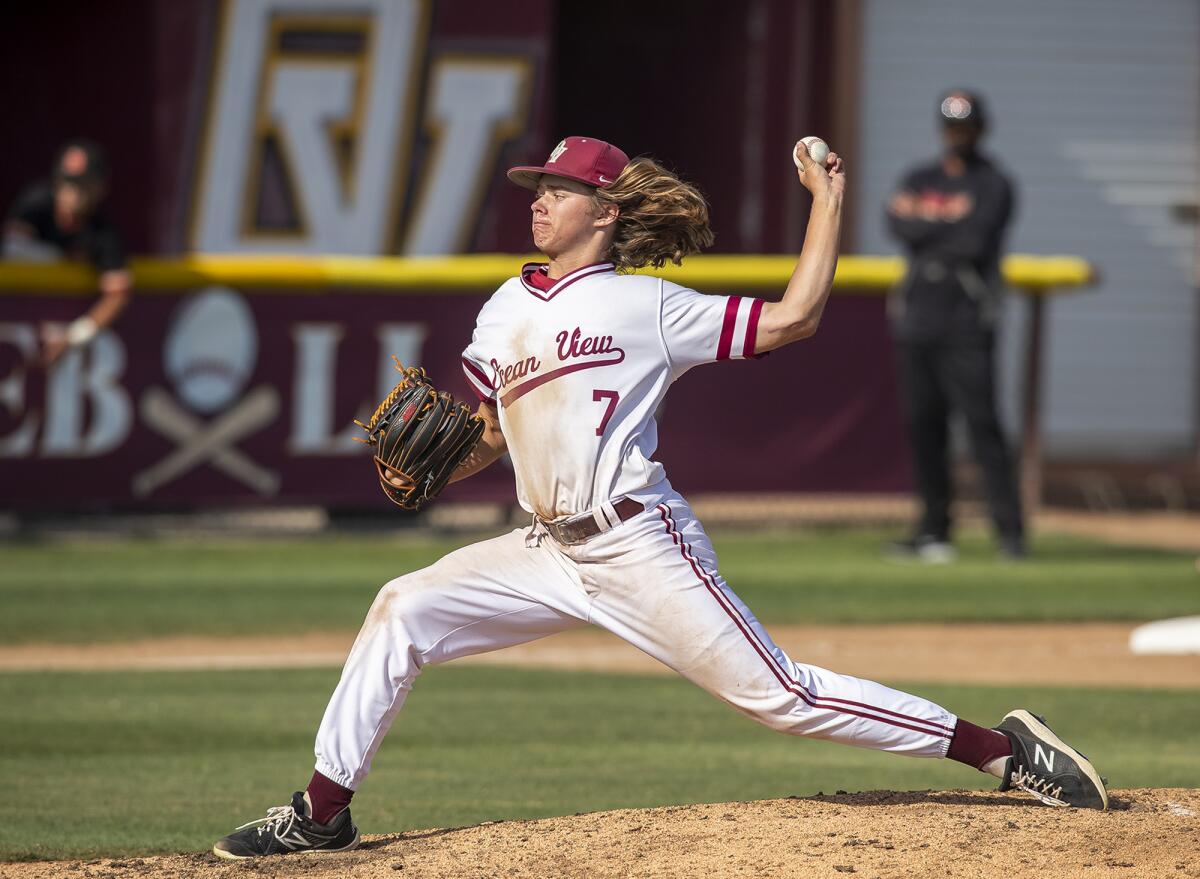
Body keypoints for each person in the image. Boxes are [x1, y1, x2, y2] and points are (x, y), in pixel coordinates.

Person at [212, 135, 1107, 860]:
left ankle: (1004, 748)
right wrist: (439, 468)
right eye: (538, 185)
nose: (539, 198)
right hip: (543, 550)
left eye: (559, 188)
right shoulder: (501, 309)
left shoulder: (648, 307)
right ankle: (323, 811)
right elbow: (489, 434)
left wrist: (826, 199)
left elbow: (795, 318)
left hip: (639, 544)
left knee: (780, 695)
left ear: (604, 212)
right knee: (401, 606)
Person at [885, 90, 1025, 562]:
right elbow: (897, 225)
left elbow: (974, 241)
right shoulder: (920, 175)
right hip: (919, 317)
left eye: (966, 128)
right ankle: (933, 532)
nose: (957, 136)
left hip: (967, 320)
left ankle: (1010, 534)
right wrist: (942, 222)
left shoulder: (994, 182)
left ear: (981, 130)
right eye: (951, 127)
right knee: (925, 427)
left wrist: (927, 221)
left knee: (983, 426)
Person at [3, 139, 132, 367]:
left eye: (83, 185)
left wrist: (73, 336)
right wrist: (61, 261)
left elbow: (118, 294)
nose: (73, 192)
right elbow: (11, 252)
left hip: (53, 340)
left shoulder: (102, 232)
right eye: (67, 183)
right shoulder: (35, 204)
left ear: (100, 188)